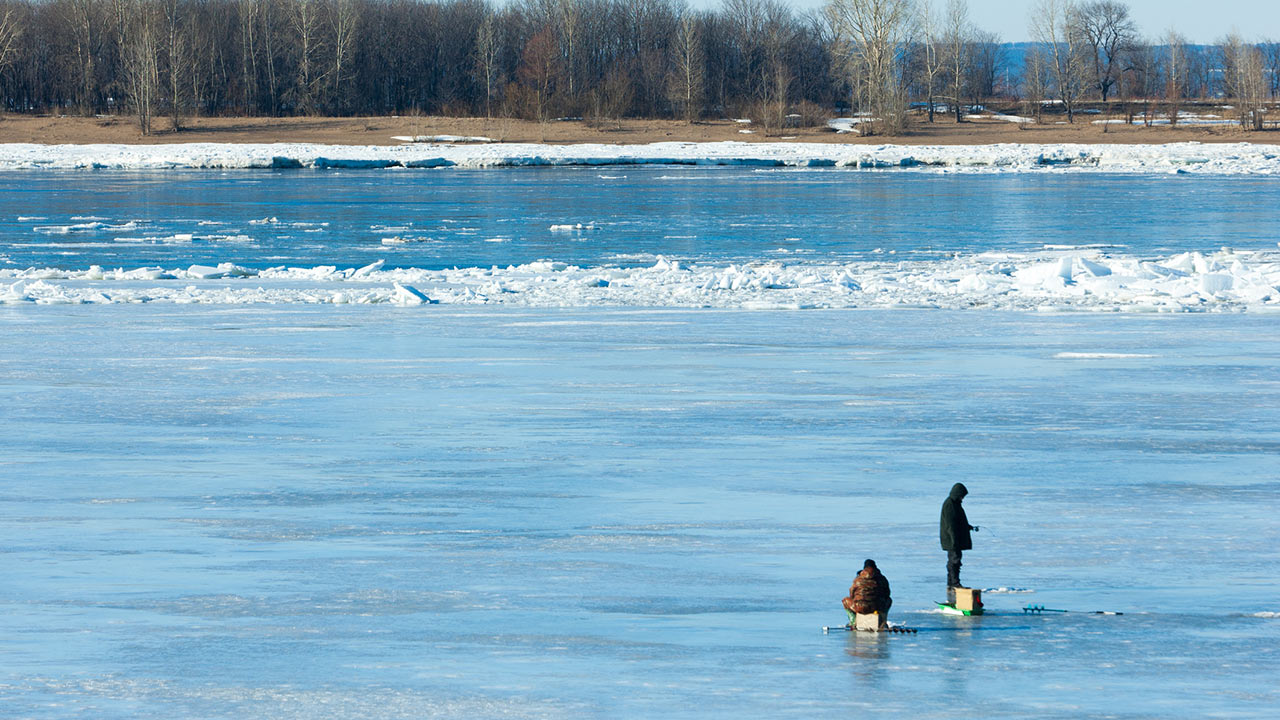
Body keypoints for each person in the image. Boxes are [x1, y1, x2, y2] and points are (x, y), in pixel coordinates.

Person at [940, 482, 978, 594]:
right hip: (952, 540)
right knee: (954, 561)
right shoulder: (950, 504)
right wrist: (954, 540)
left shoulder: (955, 503)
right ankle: (954, 583)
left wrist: (968, 527)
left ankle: (951, 584)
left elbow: (958, 521)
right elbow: (950, 524)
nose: (963, 498)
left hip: (954, 539)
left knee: (955, 560)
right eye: (962, 495)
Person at [843, 559, 892, 627]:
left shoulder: (858, 579)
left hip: (860, 607)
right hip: (877, 606)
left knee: (845, 600)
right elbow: (887, 593)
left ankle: (853, 621)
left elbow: (851, 593)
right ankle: (883, 621)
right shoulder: (882, 578)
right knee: (889, 600)